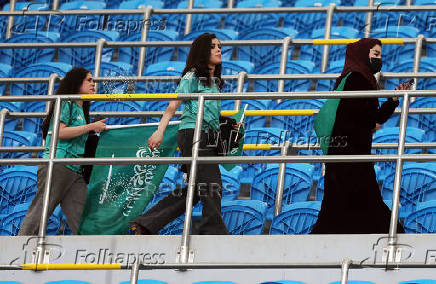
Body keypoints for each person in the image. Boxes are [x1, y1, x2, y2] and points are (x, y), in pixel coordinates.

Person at [130, 33, 230, 235]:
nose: (219, 49)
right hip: (193, 133)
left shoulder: (216, 81)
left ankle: (146, 223)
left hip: (207, 136)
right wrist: (160, 132)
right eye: (213, 47)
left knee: (195, 190)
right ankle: (213, 230)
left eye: (219, 46)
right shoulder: (192, 76)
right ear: (203, 51)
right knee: (212, 183)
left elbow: (212, 114)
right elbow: (172, 106)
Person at [311, 38, 409, 234]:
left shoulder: (359, 78)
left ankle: (322, 244)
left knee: (338, 205)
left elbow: (372, 118)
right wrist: (386, 107)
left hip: (348, 153)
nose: (379, 58)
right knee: (362, 201)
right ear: (363, 54)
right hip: (350, 155)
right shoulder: (357, 79)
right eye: (375, 54)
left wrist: (393, 100)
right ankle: (394, 236)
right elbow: (368, 118)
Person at [19, 67, 107, 235]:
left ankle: (91, 256)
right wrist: (91, 127)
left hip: (75, 169)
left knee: (83, 219)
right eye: (88, 80)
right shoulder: (66, 102)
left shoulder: (80, 109)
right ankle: (15, 251)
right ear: (76, 82)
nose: (93, 84)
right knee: (40, 211)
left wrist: (93, 131)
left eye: (93, 80)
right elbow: (59, 132)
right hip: (58, 164)